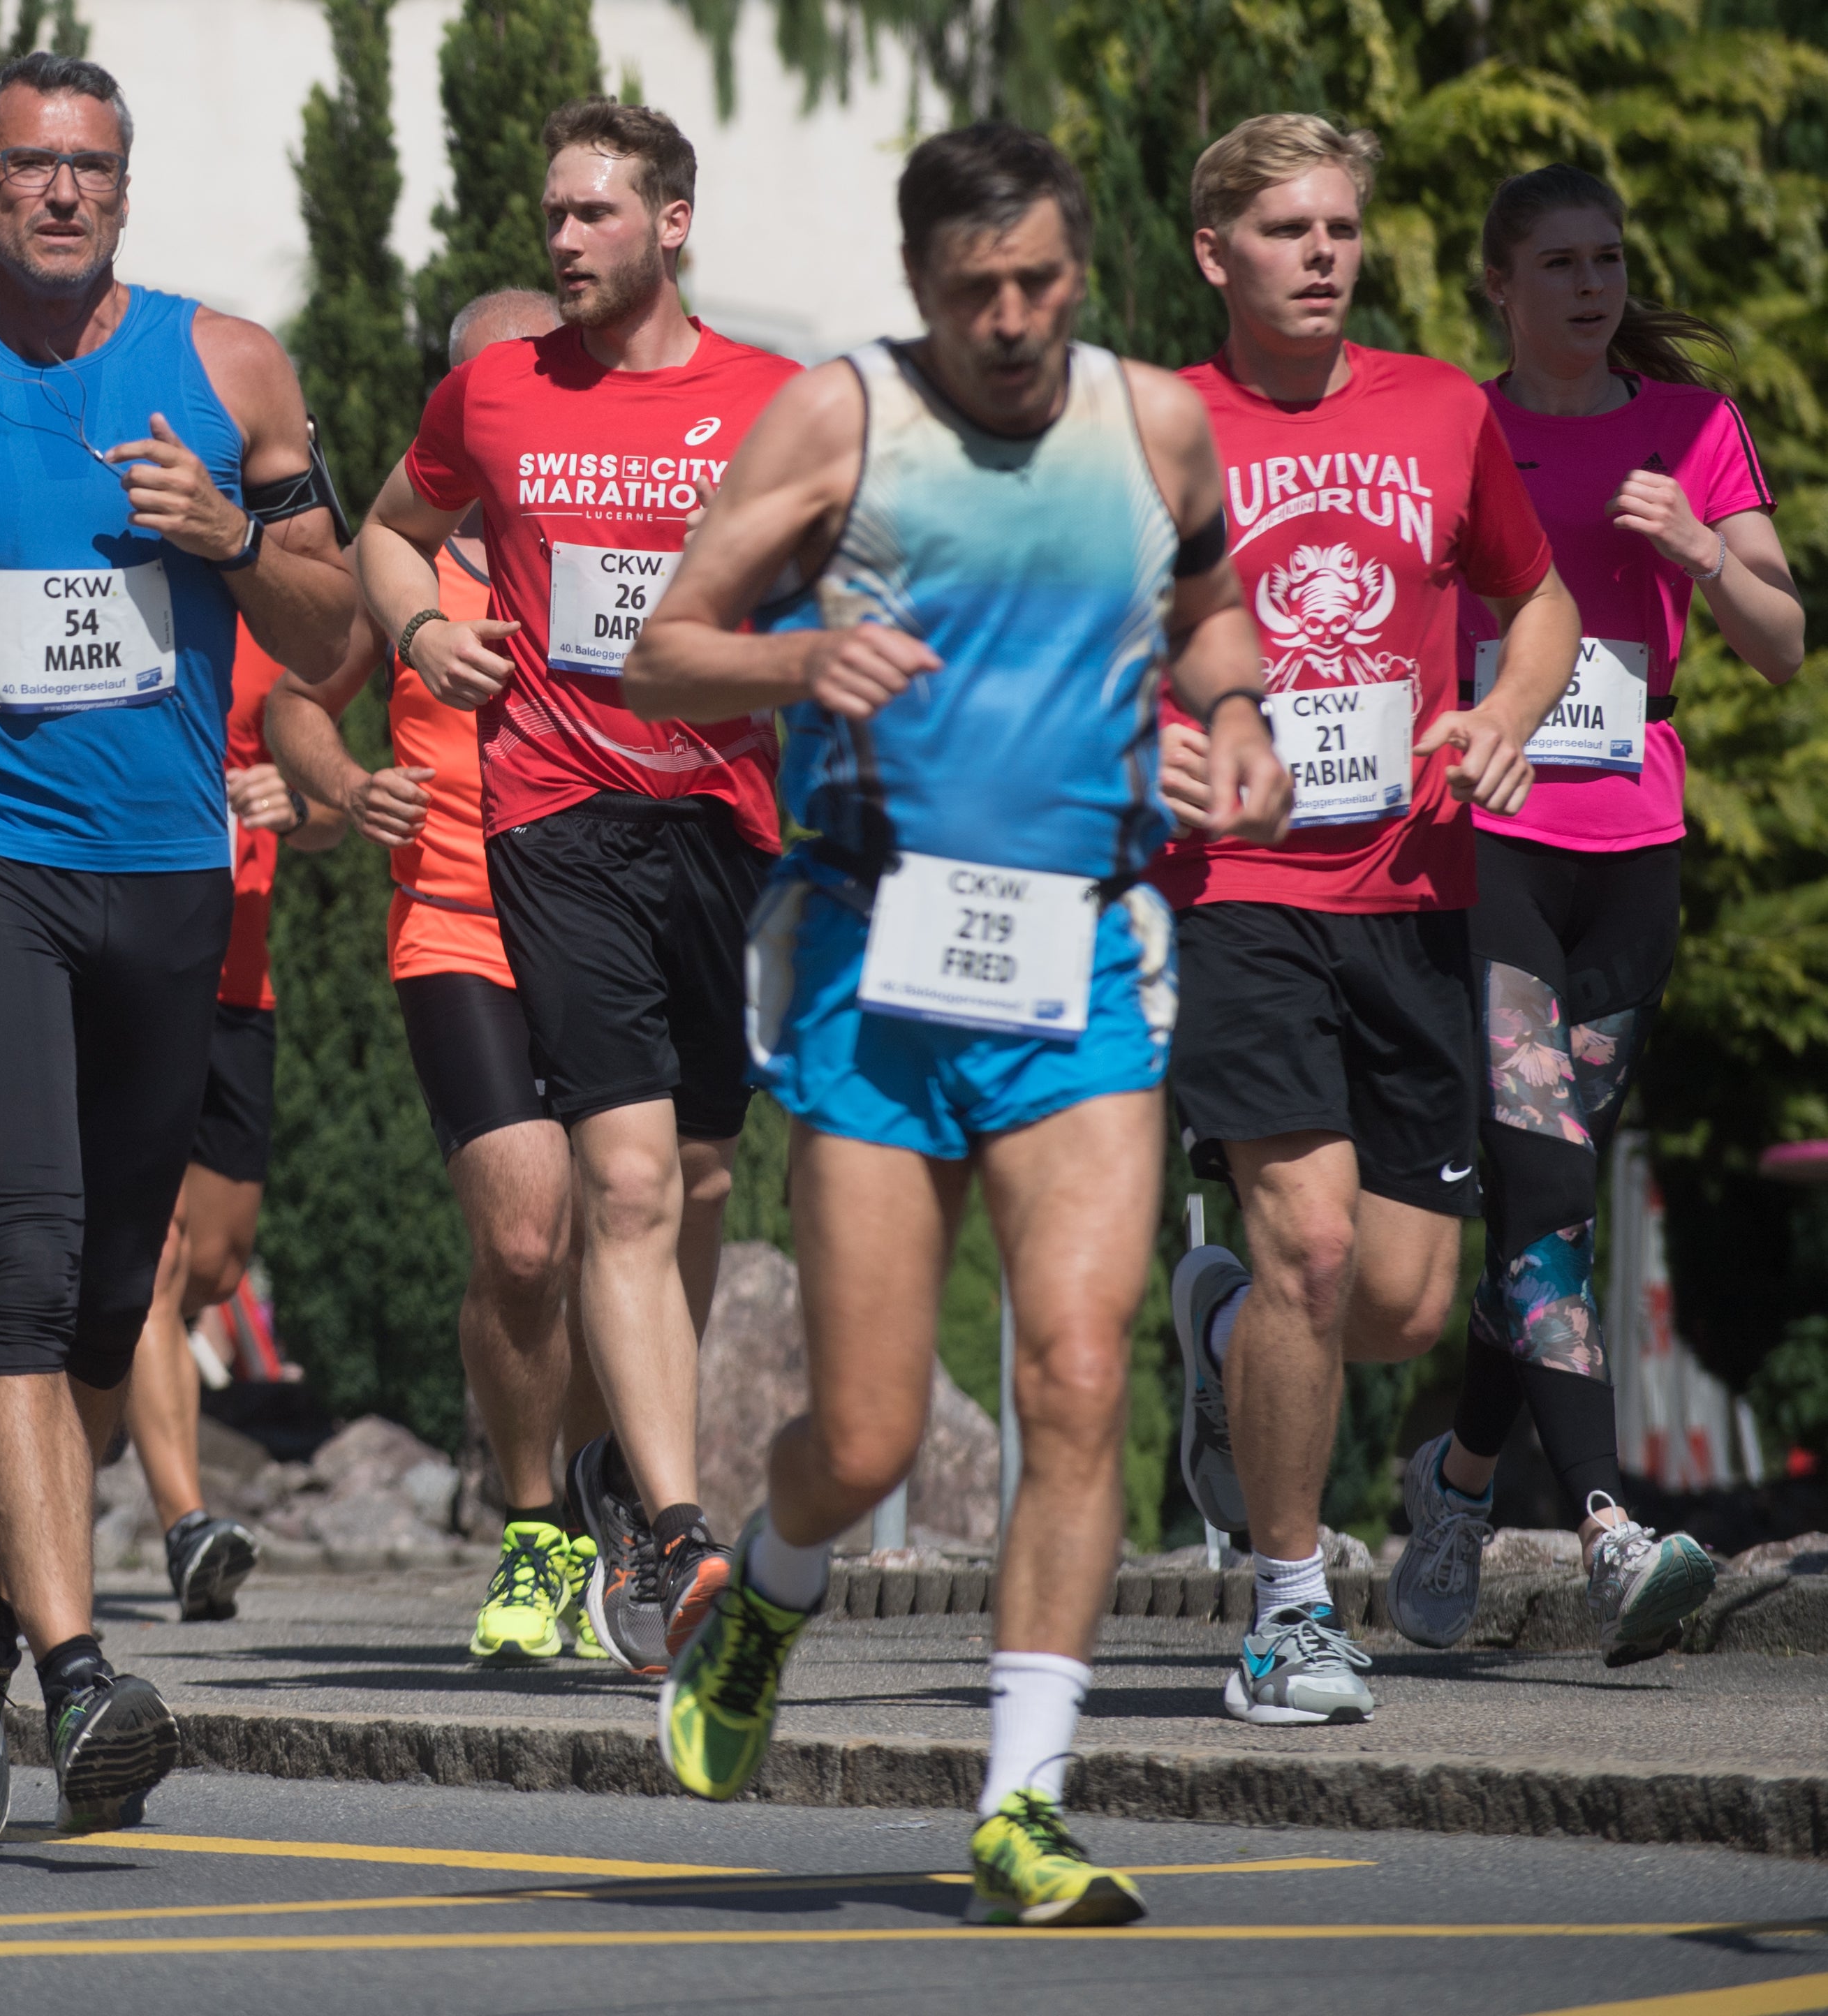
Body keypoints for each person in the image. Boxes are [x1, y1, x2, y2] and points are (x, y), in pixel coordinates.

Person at [634, 123, 1290, 1926]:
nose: (1009, 322)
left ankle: (1022, 1803)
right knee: (861, 1437)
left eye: (1040, 285)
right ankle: (764, 1587)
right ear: (917, 285)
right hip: (875, 954)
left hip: (1078, 955)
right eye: (971, 291)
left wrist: (1230, 728)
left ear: (1080, 273)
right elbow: (660, 647)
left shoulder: (1153, 423)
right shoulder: (843, 426)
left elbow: (1209, 608)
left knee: (1077, 1372)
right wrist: (788, 662)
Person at [0, 50, 354, 1851]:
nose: (63, 195)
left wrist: (237, 530)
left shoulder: (229, 364)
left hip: (172, 870)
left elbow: (336, 631)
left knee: (123, 1297)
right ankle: (78, 1670)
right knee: (20, 1272)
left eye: (93, 170)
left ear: (124, 189)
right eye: (30, 169)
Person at [351, 100, 797, 1673]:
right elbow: (386, 534)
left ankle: (629, 1456)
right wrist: (418, 631)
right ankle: (672, 1530)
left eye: (595, 214)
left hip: (727, 827)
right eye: (553, 214)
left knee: (697, 1183)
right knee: (604, 1191)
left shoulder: (779, 401)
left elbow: (865, 576)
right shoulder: (495, 392)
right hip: (555, 821)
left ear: (673, 222)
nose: (563, 238)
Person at [1155, 114, 1582, 1730]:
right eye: (1287, 229)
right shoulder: (1157, 428)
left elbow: (1535, 599)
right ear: (1218, 255)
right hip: (1245, 894)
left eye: (1341, 226)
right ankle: (1286, 1611)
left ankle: (1222, 1332)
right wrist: (1162, 762)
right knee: (1316, 1253)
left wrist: (1504, 712)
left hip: (1418, 891)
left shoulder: (1441, 407)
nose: (1325, 253)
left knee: (1397, 1303)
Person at [1385, 166, 1806, 1661]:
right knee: (1546, 1184)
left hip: (1632, 843)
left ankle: (1460, 1475)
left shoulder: (1690, 431)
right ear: (1499, 285)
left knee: (1546, 1203)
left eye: (1609, 258)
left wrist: (1700, 550)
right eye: (1557, 263)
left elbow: (1781, 644)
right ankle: (1611, 1531)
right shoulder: (1456, 425)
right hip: (1486, 836)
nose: (1590, 284)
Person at [268, 284, 627, 1663]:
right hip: (460, 925)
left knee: (625, 1236)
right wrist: (349, 786)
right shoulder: (398, 558)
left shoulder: (621, 530)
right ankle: (534, 1526)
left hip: (610, 923)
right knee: (527, 1238)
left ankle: (613, 1516)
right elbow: (299, 702)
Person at [118, 616, 343, 1622]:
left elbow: (340, 807)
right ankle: (187, 1525)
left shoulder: (273, 629)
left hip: (239, 987)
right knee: (156, 1261)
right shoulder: (111, 597)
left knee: (214, 1265)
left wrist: (294, 804)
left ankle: (70, 1389)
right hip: (130, 971)